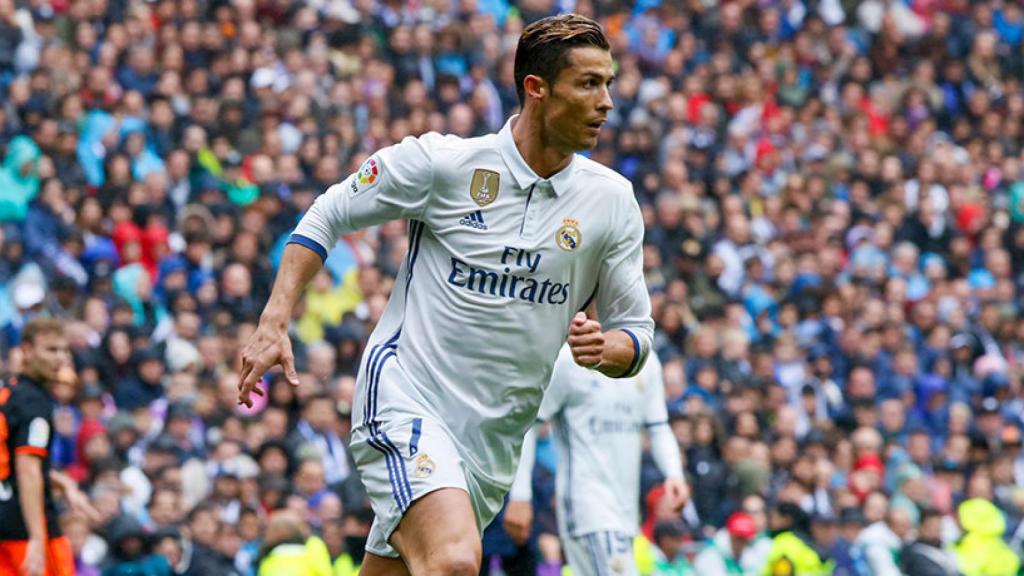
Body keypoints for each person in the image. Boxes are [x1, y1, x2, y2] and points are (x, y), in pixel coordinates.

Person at [236, 14, 654, 575]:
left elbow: (637, 333)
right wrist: (274, 321)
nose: (606, 101)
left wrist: (609, 350)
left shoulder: (611, 202)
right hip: (407, 394)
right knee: (455, 561)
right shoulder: (446, 164)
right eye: (588, 83)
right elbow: (330, 211)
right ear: (537, 89)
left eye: (608, 83)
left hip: (492, 441)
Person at [505, 345, 686, 574]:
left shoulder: (647, 359)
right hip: (585, 506)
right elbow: (529, 426)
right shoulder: (568, 358)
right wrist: (520, 495)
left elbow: (658, 426)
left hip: (627, 512)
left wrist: (674, 474)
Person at [0, 317, 76, 575]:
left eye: (64, 350)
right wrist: (36, 538)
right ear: (28, 351)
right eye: (51, 350)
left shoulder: (8, 390)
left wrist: (59, 480)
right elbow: (27, 470)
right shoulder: (34, 403)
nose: (61, 358)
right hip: (23, 526)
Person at [692, 512, 771, 575]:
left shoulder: (749, 554)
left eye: (745, 538)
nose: (742, 542)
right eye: (739, 537)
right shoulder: (711, 556)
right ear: (729, 534)